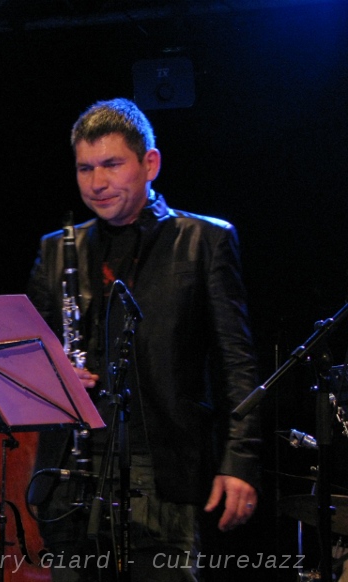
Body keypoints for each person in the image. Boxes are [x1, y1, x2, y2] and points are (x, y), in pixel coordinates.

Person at [26, 98, 262, 581]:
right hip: (71, 477)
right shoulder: (55, 251)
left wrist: (240, 462)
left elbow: (237, 364)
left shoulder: (203, 241)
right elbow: (28, 360)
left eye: (112, 164)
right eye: (85, 168)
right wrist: (50, 374)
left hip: (163, 473)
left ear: (149, 163)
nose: (97, 182)